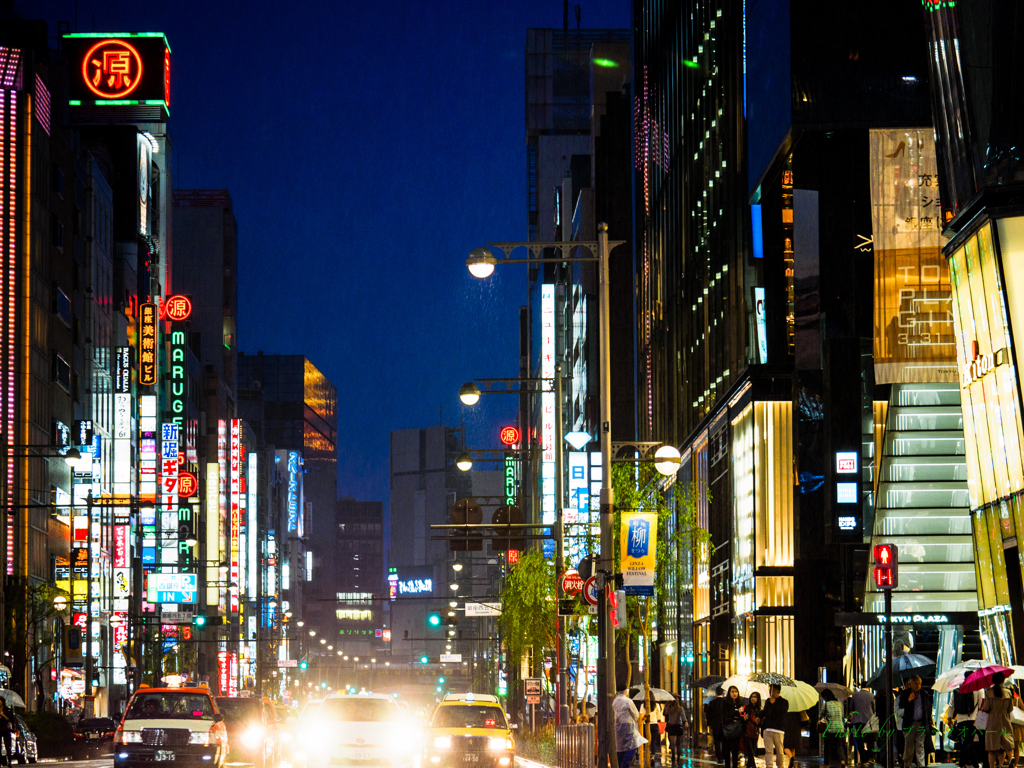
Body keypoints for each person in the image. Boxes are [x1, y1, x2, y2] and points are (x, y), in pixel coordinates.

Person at [979, 672, 1013, 768]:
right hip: (1005, 721)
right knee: (1003, 746)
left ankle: (991, 766)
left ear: (993, 680)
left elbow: (986, 708)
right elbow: (1010, 709)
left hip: (992, 722)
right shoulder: (1008, 692)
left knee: (992, 748)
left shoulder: (989, 692)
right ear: (1003, 680)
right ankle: (1001, 764)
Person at [898, 675, 932, 768]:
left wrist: (928, 720)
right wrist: (909, 699)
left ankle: (921, 765)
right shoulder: (905, 693)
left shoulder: (924, 694)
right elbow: (901, 705)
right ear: (910, 684)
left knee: (920, 746)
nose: (917, 685)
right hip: (910, 724)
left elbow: (927, 707)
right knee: (909, 747)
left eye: (919, 683)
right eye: (915, 683)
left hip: (921, 723)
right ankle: (907, 765)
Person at [615, 687, 648, 768]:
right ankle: (624, 764)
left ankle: (621, 764)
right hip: (628, 726)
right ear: (625, 691)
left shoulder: (615, 701)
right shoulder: (628, 701)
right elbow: (636, 715)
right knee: (631, 746)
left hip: (617, 727)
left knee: (620, 747)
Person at [761, 683, 790, 768]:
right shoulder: (767, 701)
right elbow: (766, 713)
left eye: (772, 689)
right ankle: (769, 766)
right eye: (770, 689)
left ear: (777, 690)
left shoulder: (784, 702)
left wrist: (774, 704)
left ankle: (780, 765)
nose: (770, 691)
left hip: (779, 730)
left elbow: (781, 713)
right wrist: (759, 715)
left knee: (779, 751)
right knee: (768, 751)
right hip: (768, 729)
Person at [849, 683, 876, 766]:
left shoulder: (855, 695)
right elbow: (874, 708)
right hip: (869, 720)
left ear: (861, 687)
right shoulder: (871, 696)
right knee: (870, 740)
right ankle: (871, 757)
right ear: (868, 687)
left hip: (858, 720)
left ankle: (863, 759)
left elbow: (851, 708)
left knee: (859, 740)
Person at [820, 688, 847, 768]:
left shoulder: (825, 705)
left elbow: (820, 715)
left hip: (830, 728)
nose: (823, 699)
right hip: (839, 727)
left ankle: (826, 764)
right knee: (839, 746)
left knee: (827, 746)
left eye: (823, 697)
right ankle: (842, 760)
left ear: (825, 697)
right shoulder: (839, 704)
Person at [720, 686, 744, 768]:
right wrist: (737, 712)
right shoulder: (725, 702)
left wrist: (742, 713)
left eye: (736, 691)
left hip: (737, 730)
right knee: (727, 750)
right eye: (732, 691)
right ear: (729, 693)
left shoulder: (740, 703)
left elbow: (742, 717)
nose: (734, 693)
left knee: (735, 751)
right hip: (728, 729)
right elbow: (725, 715)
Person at [741, 691, 762, 768]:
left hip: (755, 733)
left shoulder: (759, 709)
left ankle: (749, 766)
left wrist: (759, 720)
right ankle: (753, 766)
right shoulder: (746, 707)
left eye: (755, 697)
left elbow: (761, 722)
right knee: (750, 751)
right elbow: (741, 717)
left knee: (752, 752)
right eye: (752, 697)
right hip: (747, 732)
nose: (753, 698)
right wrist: (743, 717)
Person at [707, 687, 727, 764]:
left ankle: (719, 758)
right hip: (725, 724)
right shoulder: (726, 702)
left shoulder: (712, 703)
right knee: (725, 741)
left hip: (715, 725)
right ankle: (725, 756)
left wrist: (710, 724)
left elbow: (709, 715)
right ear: (723, 693)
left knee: (717, 741)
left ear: (716, 693)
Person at [664, 698, 686, 767]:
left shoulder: (669, 708)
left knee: (672, 744)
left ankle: (673, 757)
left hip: (671, 726)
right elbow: (683, 716)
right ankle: (678, 759)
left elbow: (665, 713)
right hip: (679, 726)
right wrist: (685, 722)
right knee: (678, 744)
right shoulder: (680, 708)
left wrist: (667, 703)